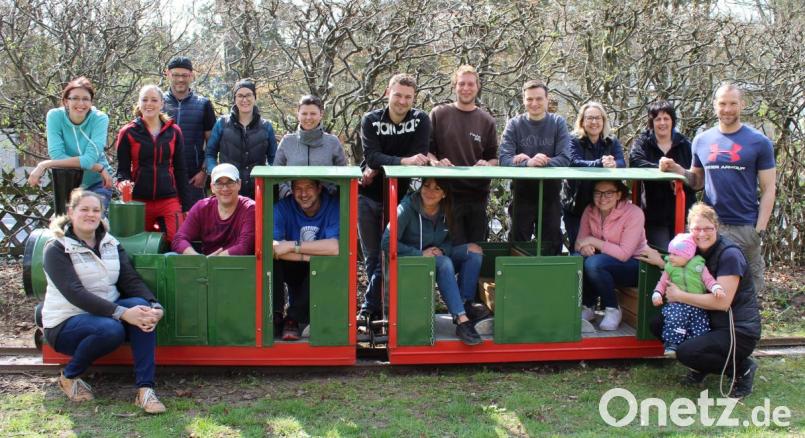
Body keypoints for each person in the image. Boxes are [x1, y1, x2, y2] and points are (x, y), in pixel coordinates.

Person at [41, 189, 166, 413]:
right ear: (71, 212)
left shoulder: (110, 243)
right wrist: (122, 313)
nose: (91, 215)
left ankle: (145, 390)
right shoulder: (56, 248)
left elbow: (130, 280)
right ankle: (69, 376)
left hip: (107, 315)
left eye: (96, 210)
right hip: (66, 322)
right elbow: (75, 293)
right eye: (84, 210)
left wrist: (154, 305)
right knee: (111, 329)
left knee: (143, 310)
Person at [662, 83, 775, 294]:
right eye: (722, 103)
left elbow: (769, 189)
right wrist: (677, 169)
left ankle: (741, 328)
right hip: (709, 228)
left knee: (746, 291)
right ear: (715, 105)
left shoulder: (759, 142)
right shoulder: (702, 140)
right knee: (706, 285)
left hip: (744, 226)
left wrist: (759, 229)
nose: (728, 109)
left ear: (743, 104)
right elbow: (697, 182)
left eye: (733, 103)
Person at [638, 203, 761, 398]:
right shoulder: (692, 249)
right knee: (659, 324)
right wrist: (662, 262)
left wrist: (680, 296)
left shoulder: (730, 255)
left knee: (686, 352)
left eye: (707, 228)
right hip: (710, 321)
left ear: (717, 227)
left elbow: (722, 302)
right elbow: (687, 271)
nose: (702, 233)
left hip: (737, 329)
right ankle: (701, 363)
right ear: (689, 229)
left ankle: (741, 369)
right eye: (696, 228)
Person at [357, 73, 431, 322]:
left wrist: (395, 161)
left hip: (398, 197)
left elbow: (419, 154)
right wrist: (402, 160)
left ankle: (374, 308)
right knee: (371, 255)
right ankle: (375, 311)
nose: (402, 101)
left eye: (408, 97)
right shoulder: (371, 119)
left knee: (388, 251)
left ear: (414, 98)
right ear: (387, 92)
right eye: (397, 94)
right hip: (367, 195)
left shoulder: (421, 119)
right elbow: (372, 157)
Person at [381, 178, 485, 346]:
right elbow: (386, 242)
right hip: (413, 261)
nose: (430, 191)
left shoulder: (447, 210)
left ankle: (465, 304)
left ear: (444, 194)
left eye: (436, 188)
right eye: (426, 186)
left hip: (437, 257)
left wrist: (443, 250)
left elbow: (449, 241)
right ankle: (461, 319)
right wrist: (420, 254)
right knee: (444, 263)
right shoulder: (406, 208)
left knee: (473, 252)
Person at [428, 65, 498, 245]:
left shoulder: (487, 120)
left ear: (478, 86)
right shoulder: (439, 114)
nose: (466, 88)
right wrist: (435, 162)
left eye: (470, 84)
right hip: (445, 194)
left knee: (474, 250)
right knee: (448, 248)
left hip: (477, 195)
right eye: (461, 84)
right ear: (454, 86)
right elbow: (426, 151)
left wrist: (488, 165)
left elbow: (494, 157)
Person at [499, 80, 571, 253]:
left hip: (551, 194)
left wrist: (540, 162)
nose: (534, 103)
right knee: (518, 243)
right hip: (521, 194)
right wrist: (528, 163)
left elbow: (565, 158)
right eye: (529, 99)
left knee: (552, 243)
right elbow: (504, 159)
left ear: (547, 100)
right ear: (523, 100)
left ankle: (550, 279)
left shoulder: (557, 123)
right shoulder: (514, 124)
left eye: (539, 99)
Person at [115, 84, 188, 244]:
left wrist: (186, 203)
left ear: (162, 103)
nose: (149, 104)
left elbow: (181, 169)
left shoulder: (174, 131)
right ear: (139, 103)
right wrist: (122, 183)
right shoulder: (127, 132)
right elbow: (122, 170)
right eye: (145, 100)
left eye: (154, 100)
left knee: (176, 240)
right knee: (141, 244)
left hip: (169, 198)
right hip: (139, 200)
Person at [28, 77, 114, 209]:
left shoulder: (100, 119)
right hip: (67, 183)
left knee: (90, 220)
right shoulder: (55, 116)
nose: (81, 103)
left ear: (91, 102)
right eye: (75, 98)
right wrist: (98, 167)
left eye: (85, 99)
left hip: (97, 183)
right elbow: (57, 155)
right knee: (66, 224)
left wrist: (45, 164)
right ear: (66, 101)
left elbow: (89, 160)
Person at [576, 180, 648, 331]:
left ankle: (612, 309)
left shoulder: (633, 213)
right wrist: (585, 248)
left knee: (594, 264)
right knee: (577, 258)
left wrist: (591, 241)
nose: (602, 198)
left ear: (619, 194)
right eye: (598, 193)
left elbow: (624, 254)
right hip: (604, 261)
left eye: (609, 193)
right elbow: (579, 243)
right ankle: (587, 306)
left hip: (635, 265)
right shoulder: (590, 210)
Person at [272, 179, 339, 340]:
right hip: (292, 264)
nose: (303, 194)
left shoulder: (332, 206)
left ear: (319, 188)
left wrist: (291, 246)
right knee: (272, 262)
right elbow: (274, 247)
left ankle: (292, 319)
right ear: (292, 190)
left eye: (308, 188)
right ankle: (275, 316)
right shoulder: (283, 207)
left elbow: (335, 248)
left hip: (319, 267)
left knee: (326, 264)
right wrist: (309, 254)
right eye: (298, 189)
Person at [629, 100, 695, 249]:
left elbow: (695, 174)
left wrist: (677, 171)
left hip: (684, 212)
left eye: (666, 118)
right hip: (654, 213)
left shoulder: (685, 144)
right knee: (662, 256)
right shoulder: (643, 142)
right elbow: (635, 162)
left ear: (673, 121)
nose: (662, 123)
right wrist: (663, 171)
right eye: (657, 119)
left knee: (684, 256)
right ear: (651, 122)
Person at [561, 101, 626, 251]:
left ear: (604, 120)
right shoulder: (572, 140)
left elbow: (621, 161)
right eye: (590, 118)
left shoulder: (612, 141)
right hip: (576, 204)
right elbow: (573, 162)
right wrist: (600, 163)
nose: (594, 122)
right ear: (582, 121)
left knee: (602, 249)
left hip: (605, 206)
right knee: (579, 248)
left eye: (598, 118)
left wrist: (614, 164)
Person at [651, 232, 725, 357]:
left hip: (697, 304)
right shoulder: (670, 268)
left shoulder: (698, 266)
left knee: (700, 326)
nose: (670, 257)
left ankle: (695, 351)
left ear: (688, 255)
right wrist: (657, 294)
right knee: (675, 320)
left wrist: (716, 288)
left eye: (675, 254)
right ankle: (672, 344)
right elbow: (662, 283)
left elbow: (709, 280)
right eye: (670, 253)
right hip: (677, 304)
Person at [205, 78, 278, 199]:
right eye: (240, 95)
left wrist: (270, 180)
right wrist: (216, 174)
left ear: (255, 97)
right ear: (235, 98)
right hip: (228, 190)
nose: (244, 99)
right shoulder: (222, 123)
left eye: (248, 95)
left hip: (258, 190)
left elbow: (274, 158)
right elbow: (210, 153)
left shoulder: (266, 127)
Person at [163, 56, 217, 208]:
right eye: (176, 75)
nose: (180, 79)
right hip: (163, 178)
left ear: (192, 76)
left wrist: (204, 172)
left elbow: (212, 143)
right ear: (168, 74)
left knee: (194, 226)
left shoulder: (203, 104)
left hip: (193, 178)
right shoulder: (157, 102)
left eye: (185, 75)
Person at [171, 163, 255, 256]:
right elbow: (179, 239)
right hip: (204, 267)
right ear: (212, 187)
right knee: (169, 256)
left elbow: (245, 247)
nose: (225, 188)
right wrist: (198, 259)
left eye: (230, 182)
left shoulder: (250, 208)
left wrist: (213, 261)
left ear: (239, 184)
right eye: (219, 183)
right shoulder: (202, 207)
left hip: (238, 267)